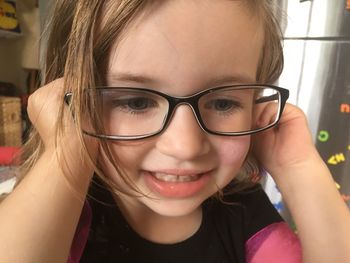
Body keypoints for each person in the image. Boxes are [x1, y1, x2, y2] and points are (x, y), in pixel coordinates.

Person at [1, 0, 350, 262]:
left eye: (224, 103)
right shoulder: (68, 207)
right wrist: (64, 152)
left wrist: (300, 167)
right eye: (136, 102)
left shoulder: (244, 212)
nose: (185, 147)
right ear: (69, 100)